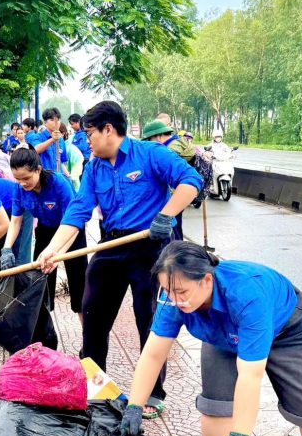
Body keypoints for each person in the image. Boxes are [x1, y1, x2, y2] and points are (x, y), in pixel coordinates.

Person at [37, 100, 202, 418]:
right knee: (93, 313)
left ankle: (152, 393)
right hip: (112, 244)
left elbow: (190, 181)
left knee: (148, 318)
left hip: (150, 246)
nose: (86, 141)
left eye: (89, 134)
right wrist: (53, 250)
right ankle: (94, 385)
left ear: (108, 130)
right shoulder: (94, 167)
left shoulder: (151, 155)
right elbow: (79, 210)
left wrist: (167, 215)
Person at [121, 241, 302, 436]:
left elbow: (250, 375)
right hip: (222, 333)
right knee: (215, 405)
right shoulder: (172, 298)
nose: (175, 299)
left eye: (182, 292)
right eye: (169, 291)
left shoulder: (247, 294)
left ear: (207, 280)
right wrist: (134, 406)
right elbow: (153, 355)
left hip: (286, 329)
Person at [3, 147, 86, 320]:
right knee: (41, 280)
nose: (23, 183)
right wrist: (6, 248)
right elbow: (16, 220)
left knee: (79, 285)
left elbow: (72, 222)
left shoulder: (59, 184)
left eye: (26, 178)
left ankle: (87, 339)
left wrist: (58, 255)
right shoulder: (19, 189)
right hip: (45, 230)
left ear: (38, 170)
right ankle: (44, 333)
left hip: (71, 231)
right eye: (18, 179)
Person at [26, 108, 70, 176]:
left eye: (58, 120)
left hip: (59, 178)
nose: (56, 122)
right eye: (52, 120)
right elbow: (36, 149)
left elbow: (62, 162)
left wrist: (68, 177)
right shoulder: (37, 137)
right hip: (43, 178)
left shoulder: (61, 140)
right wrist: (52, 140)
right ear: (45, 123)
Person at [62, 123, 84, 190]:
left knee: (75, 180)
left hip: (76, 160)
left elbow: (83, 147)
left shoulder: (81, 135)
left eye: (72, 124)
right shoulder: (66, 142)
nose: (71, 126)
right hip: (71, 162)